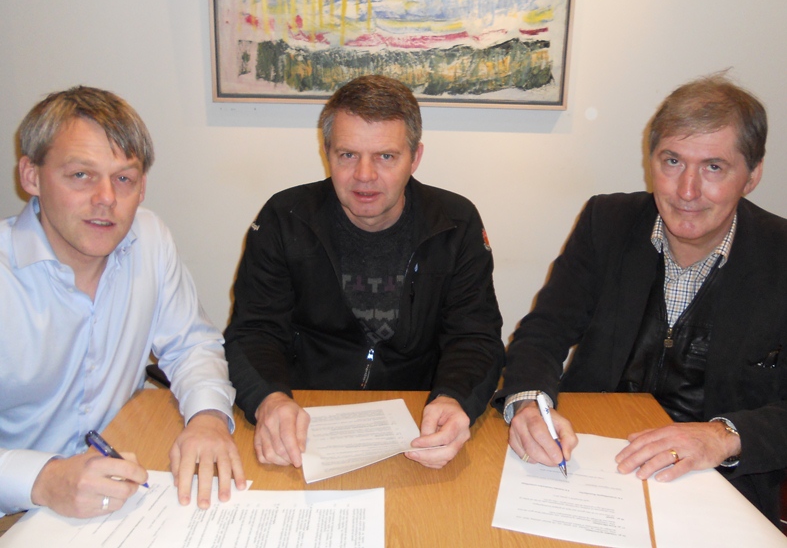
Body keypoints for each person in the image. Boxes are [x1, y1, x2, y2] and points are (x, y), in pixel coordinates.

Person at [494, 73, 787, 524]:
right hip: (589, 463)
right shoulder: (607, 222)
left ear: (752, 176)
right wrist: (529, 402)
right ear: (651, 161)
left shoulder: (780, 255)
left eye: (713, 167)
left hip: (719, 485)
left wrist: (723, 436)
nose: (686, 191)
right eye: (672, 161)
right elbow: (544, 332)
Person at [224, 75, 505, 470]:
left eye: (386, 156)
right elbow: (254, 332)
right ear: (327, 153)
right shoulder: (285, 219)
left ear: (415, 158)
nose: (365, 175)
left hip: (417, 417)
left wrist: (454, 399)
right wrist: (270, 399)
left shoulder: (455, 224)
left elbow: (475, 337)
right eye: (348, 155)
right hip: (303, 417)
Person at [0, 86, 246, 519]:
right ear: (31, 176)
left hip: (119, 489)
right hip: (16, 509)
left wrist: (207, 417)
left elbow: (191, 345)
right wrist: (44, 479)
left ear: (142, 186)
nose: (107, 199)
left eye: (124, 178)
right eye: (81, 175)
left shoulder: (148, 238)